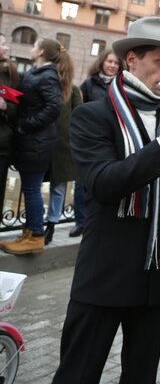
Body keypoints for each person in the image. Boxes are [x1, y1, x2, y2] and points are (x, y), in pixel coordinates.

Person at [43, 17, 160, 384]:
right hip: (105, 272)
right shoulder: (95, 115)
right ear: (131, 60)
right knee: (77, 381)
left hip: (154, 273)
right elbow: (104, 184)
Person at [2, 38, 69, 255]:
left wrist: (24, 126)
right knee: (30, 188)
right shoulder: (37, 72)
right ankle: (29, 232)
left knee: (31, 190)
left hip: (37, 143)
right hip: (33, 142)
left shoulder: (48, 75)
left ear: (40, 51)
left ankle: (36, 236)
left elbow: (53, 108)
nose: (30, 49)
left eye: (34, 46)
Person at [70, 50, 125, 238]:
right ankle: (80, 222)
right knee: (80, 185)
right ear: (102, 62)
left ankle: (97, 222)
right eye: (110, 62)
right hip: (91, 138)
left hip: (113, 140)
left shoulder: (122, 85)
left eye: (116, 63)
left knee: (104, 183)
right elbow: (79, 108)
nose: (113, 66)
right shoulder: (89, 83)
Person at [44, 83, 83, 244]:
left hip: (63, 146)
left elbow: (79, 115)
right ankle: (32, 224)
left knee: (58, 187)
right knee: (31, 186)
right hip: (40, 142)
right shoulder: (44, 84)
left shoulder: (72, 89)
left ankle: (51, 225)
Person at [0, 33, 19, 216]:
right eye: (3, 44)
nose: (6, 48)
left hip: (2, 144)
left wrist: (6, 107)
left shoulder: (10, 72)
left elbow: (17, 105)